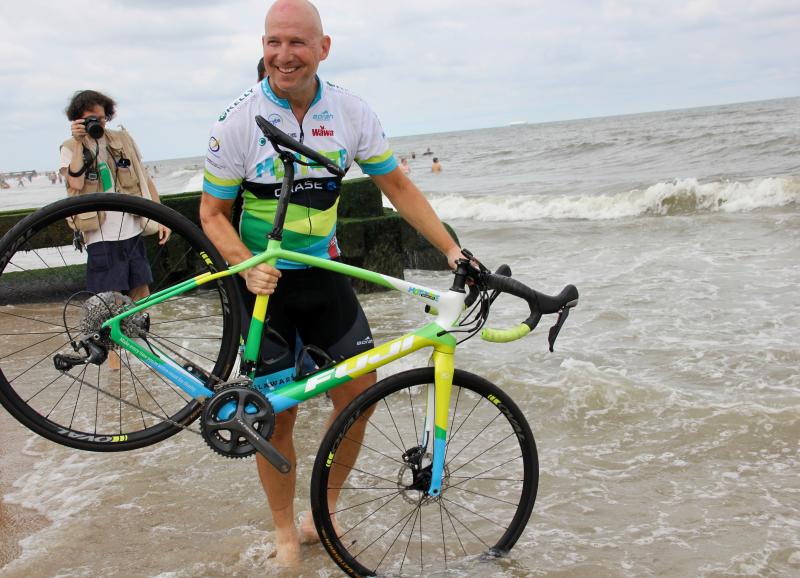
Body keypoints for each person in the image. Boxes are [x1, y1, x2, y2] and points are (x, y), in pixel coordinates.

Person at [200, 0, 462, 565]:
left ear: (323, 47)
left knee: (360, 400)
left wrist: (450, 248)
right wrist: (245, 264)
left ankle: (324, 511)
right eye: (273, 42)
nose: (283, 55)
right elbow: (212, 215)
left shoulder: (350, 112)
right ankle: (284, 533)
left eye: (297, 42)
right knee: (279, 418)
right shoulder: (238, 122)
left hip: (327, 278)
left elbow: (398, 186)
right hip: (265, 290)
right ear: (262, 47)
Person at [59, 89, 170, 369]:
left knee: (141, 290)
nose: (96, 124)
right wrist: (79, 141)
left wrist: (161, 217)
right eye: (88, 119)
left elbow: (144, 178)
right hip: (99, 235)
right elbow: (74, 183)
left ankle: (143, 352)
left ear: (107, 116)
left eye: (100, 118)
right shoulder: (71, 147)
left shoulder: (122, 140)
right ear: (77, 121)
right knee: (106, 302)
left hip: (131, 228)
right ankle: (114, 367)